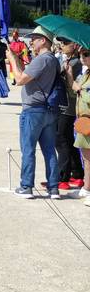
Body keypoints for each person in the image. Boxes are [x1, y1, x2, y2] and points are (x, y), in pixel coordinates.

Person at [6, 26, 61, 199]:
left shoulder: (42, 59)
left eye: (35, 38)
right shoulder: (52, 59)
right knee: (49, 150)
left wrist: (12, 60)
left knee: (28, 149)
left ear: (43, 40)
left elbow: (21, 79)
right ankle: (53, 188)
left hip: (33, 110)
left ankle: (26, 186)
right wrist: (16, 58)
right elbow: (29, 74)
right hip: (48, 110)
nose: (31, 41)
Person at [55, 40, 84, 189]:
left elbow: (73, 88)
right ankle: (77, 174)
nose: (62, 45)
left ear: (74, 45)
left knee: (61, 140)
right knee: (67, 138)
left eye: (65, 43)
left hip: (67, 106)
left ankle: (62, 177)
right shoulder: (70, 61)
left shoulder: (74, 63)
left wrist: (65, 74)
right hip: (67, 105)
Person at [71, 48, 90, 205]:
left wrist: (80, 90)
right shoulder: (85, 74)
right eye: (81, 55)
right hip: (84, 121)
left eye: (86, 54)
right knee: (86, 157)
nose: (82, 58)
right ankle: (87, 186)